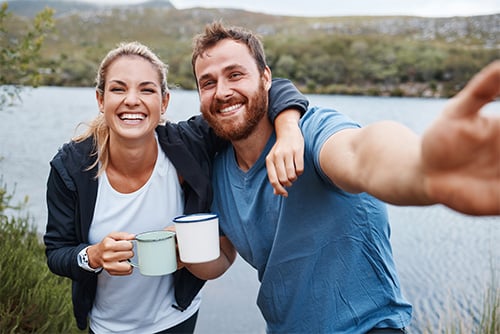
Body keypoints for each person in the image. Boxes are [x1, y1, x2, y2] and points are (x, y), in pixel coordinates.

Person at [187, 21, 500, 333]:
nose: (223, 91)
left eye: (235, 75)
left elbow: (362, 154)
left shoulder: (312, 130)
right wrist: (181, 248)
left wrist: (422, 167)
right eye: (208, 83)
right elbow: (224, 255)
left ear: (266, 78)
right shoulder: (217, 171)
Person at [43, 41, 308, 333]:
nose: (132, 100)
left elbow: (270, 89)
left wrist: (289, 131)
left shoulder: (189, 144)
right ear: (100, 99)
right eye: (118, 89)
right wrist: (92, 256)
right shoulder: (70, 167)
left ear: (164, 101)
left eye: (147, 89)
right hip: (106, 325)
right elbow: (56, 252)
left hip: (178, 317)